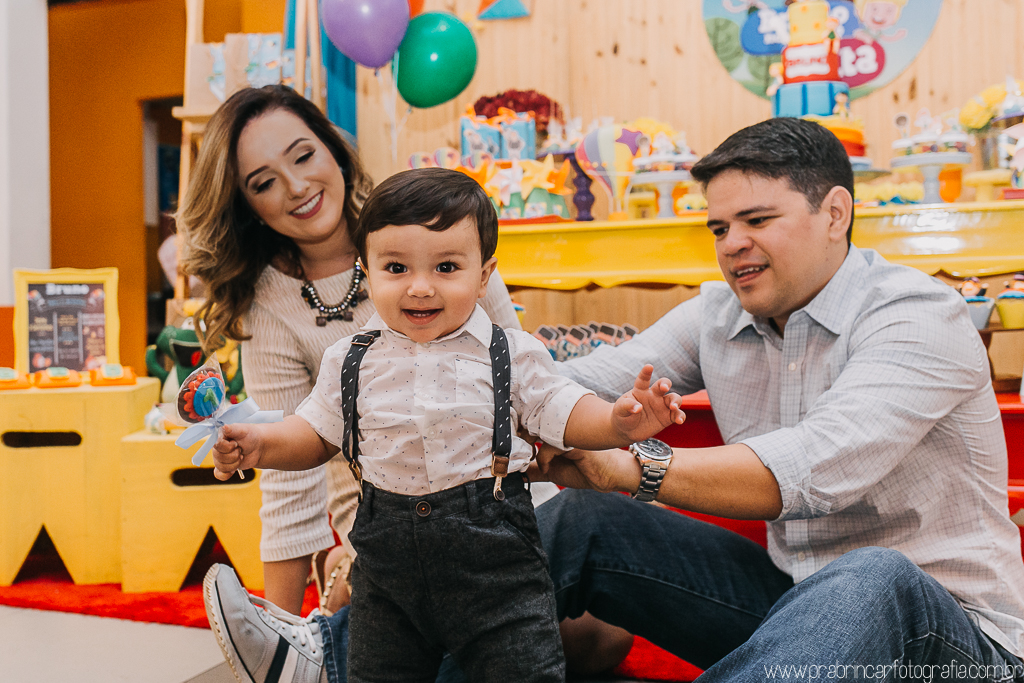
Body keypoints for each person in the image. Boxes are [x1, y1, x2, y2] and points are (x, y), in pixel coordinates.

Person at [204, 116, 1024, 682]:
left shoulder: (920, 315)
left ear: (836, 212)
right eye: (718, 227)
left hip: (945, 641)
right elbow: (568, 387)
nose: (733, 243)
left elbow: (813, 467)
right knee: (577, 521)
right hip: (794, 611)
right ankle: (334, 660)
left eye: (757, 219)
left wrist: (627, 465)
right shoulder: (718, 312)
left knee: (868, 576)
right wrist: (457, 369)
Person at [203, 168, 685, 683]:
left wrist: (617, 421)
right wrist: (261, 442)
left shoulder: (511, 354)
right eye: (396, 267)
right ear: (367, 271)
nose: (420, 287)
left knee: (522, 671)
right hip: (386, 577)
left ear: (484, 274)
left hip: (497, 570)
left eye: (446, 266)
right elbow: (314, 434)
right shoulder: (351, 360)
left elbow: (565, 411)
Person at [177, 85, 523, 617]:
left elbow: (520, 386)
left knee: (595, 639)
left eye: (304, 155)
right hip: (379, 533)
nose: (296, 187)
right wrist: (283, 638)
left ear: (334, 150)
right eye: (264, 182)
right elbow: (289, 486)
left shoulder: (436, 235)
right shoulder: (269, 307)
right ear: (247, 206)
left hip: (494, 504)